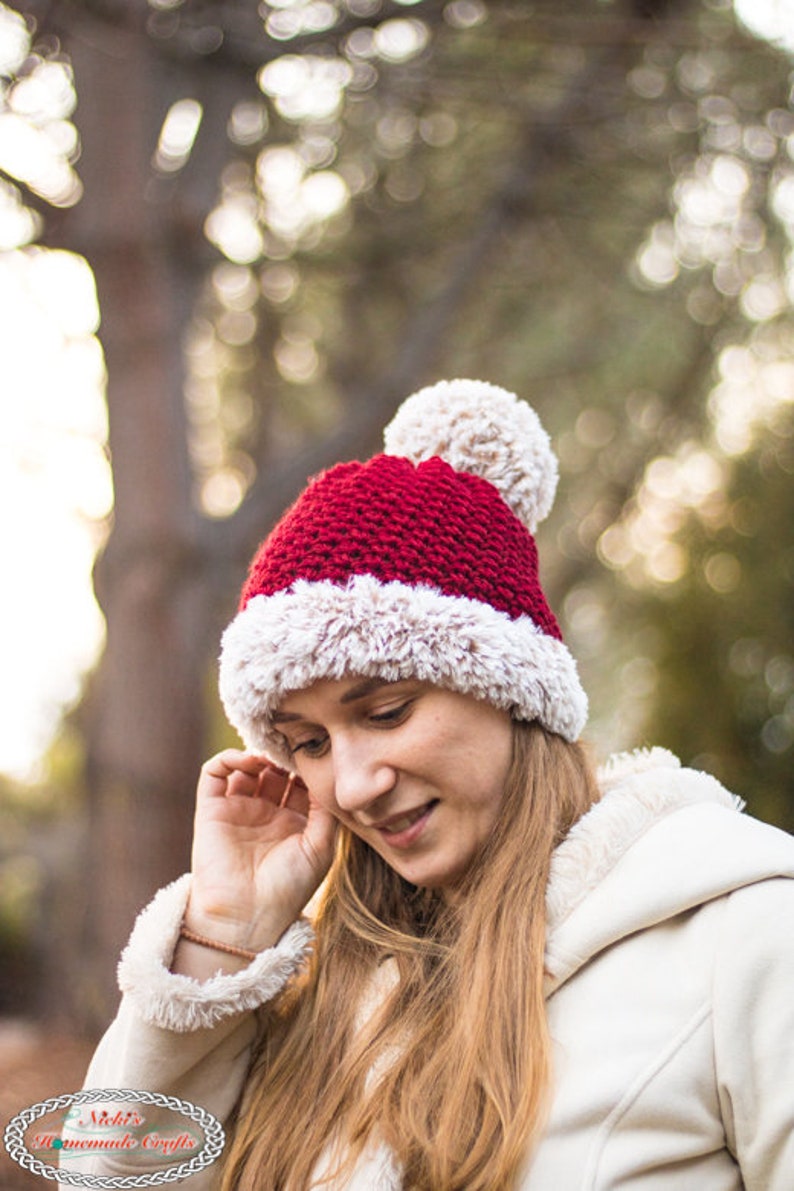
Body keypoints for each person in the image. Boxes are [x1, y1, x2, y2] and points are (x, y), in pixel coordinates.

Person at [76, 379, 794, 1190]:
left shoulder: (743, 928)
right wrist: (221, 937)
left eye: (385, 711)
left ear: (510, 687)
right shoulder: (301, 983)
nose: (350, 784)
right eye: (307, 741)